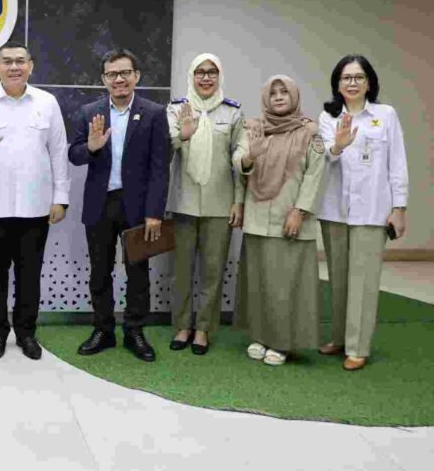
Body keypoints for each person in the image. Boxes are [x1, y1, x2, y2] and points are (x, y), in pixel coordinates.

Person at [0, 41, 69, 361]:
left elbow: (58, 152)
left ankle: (26, 333)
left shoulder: (47, 103)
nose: (14, 67)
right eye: (7, 61)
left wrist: (60, 198)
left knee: (29, 276)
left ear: (31, 66)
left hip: (35, 207)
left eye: (20, 61)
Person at [69, 49, 168, 362]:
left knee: (138, 272)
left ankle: (135, 331)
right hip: (100, 204)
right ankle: (103, 330)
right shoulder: (90, 112)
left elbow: (160, 167)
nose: (119, 79)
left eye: (125, 72)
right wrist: (91, 147)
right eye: (112, 74)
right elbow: (74, 155)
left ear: (136, 76)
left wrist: (154, 212)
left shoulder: (154, 113)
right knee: (100, 271)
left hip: (138, 207)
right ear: (104, 79)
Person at [317, 55, 408, 371]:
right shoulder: (328, 117)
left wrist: (399, 208)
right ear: (337, 84)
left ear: (369, 83)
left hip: (372, 210)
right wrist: (338, 145)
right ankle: (340, 338)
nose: (352, 83)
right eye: (346, 78)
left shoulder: (385, 115)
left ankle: (358, 347)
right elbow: (325, 158)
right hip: (335, 210)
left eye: (358, 77)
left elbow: (397, 163)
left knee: (364, 281)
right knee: (339, 280)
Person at [236, 75, 324, 367]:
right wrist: (250, 156)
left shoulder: (309, 132)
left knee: (286, 286)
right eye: (272, 93)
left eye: (284, 92)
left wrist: (300, 211)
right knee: (260, 282)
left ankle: (282, 343)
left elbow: (314, 175)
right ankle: (260, 337)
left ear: (294, 96)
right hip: (258, 218)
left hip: (290, 219)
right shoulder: (255, 128)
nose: (278, 97)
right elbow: (239, 162)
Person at [166, 54, 247, 356]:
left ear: (219, 75)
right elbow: (167, 145)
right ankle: (182, 326)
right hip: (184, 202)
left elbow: (239, 159)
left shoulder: (233, 112)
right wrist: (183, 135)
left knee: (213, 271)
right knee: (182, 271)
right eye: (200, 72)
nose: (206, 77)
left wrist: (238, 201)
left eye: (212, 72)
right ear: (192, 75)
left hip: (219, 204)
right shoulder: (177, 108)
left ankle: (203, 329)